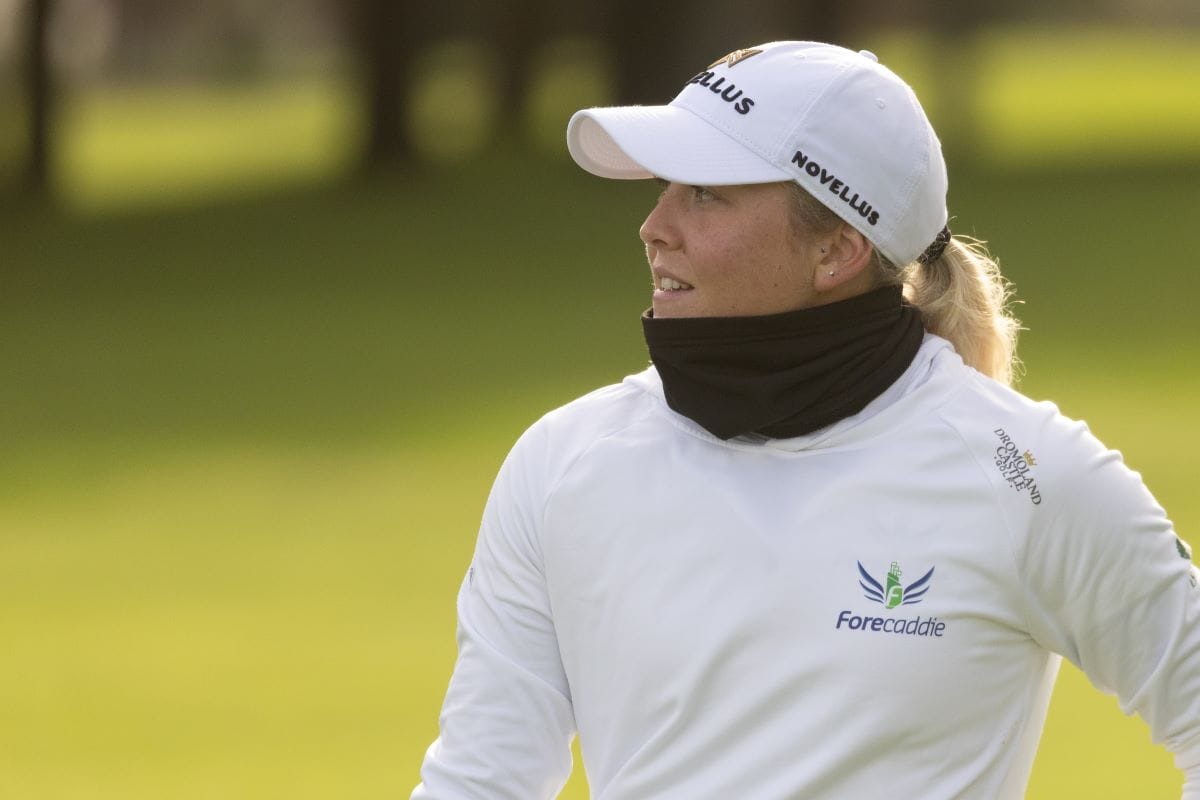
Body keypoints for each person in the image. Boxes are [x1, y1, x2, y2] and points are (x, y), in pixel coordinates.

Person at [412, 41, 1200, 799]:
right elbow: (480, 783)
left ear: (836, 251)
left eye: (705, 193)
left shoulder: (1025, 477)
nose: (655, 226)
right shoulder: (564, 462)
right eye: (666, 187)